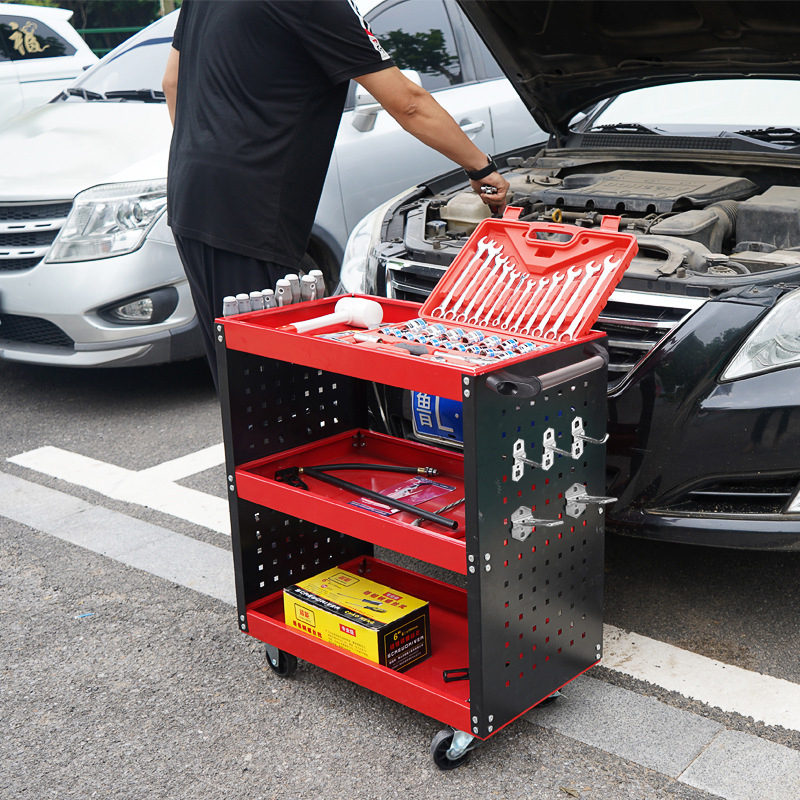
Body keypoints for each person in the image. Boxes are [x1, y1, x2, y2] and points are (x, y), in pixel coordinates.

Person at [162, 0, 509, 393]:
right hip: (249, 213)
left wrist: (206, 153)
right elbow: (408, 101)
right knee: (264, 387)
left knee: (233, 371)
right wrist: (481, 168)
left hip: (191, 194)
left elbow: (172, 82)